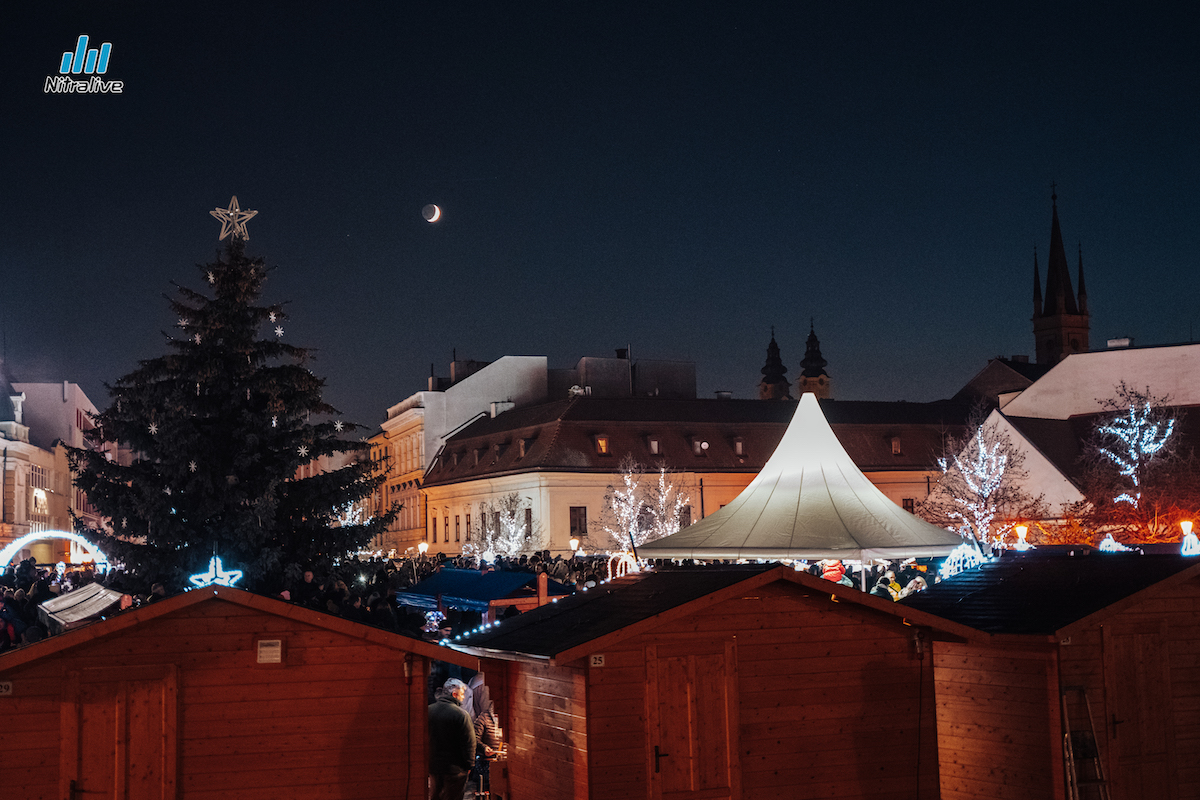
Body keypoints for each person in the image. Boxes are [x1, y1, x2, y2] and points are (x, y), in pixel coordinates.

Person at [428, 677, 476, 800]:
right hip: (455, 769)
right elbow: (469, 742)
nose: (463, 698)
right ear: (454, 694)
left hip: (433, 766)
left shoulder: (429, 711)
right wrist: (469, 765)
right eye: (462, 694)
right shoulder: (461, 715)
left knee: (435, 796)